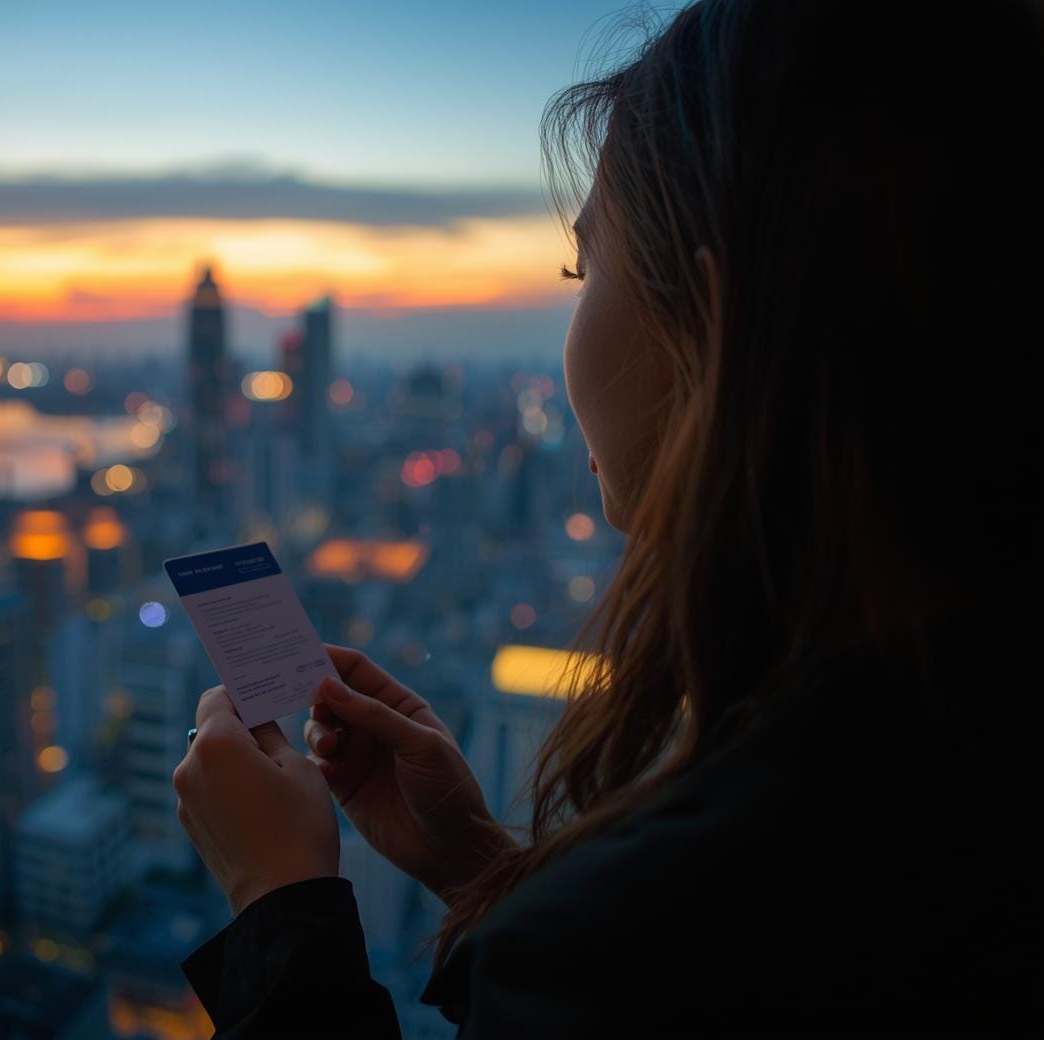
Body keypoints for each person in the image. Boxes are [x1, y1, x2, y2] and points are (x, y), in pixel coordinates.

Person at [171, 0, 1043, 1034]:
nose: (566, 339)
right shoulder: (954, 744)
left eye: (585, 268)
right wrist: (483, 866)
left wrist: (279, 903)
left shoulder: (686, 913)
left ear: (711, 323)